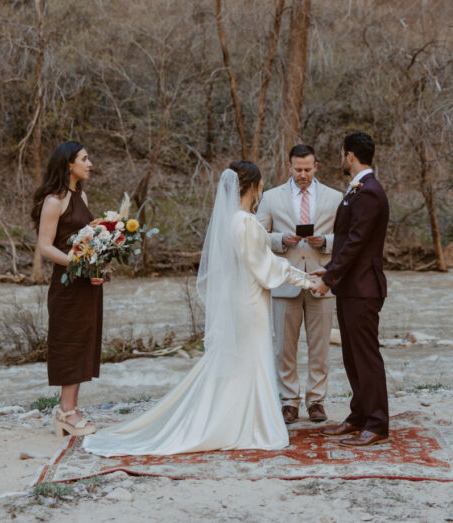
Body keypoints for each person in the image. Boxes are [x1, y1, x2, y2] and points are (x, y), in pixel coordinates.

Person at [82, 161, 318, 456]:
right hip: (250, 302)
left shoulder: (231, 220)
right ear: (255, 187)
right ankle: (245, 424)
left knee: (237, 361)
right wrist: (307, 280)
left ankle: (236, 417)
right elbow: (266, 267)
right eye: (261, 185)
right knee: (251, 358)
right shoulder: (246, 222)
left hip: (238, 297)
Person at [313, 132, 390, 448]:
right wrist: (330, 270)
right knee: (352, 356)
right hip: (350, 286)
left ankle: (377, 423)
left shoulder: (369, 192)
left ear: (350, 156)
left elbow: (357, 242)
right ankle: (358, 416)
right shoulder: (359, 189)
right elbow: (350, 240)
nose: (341, 158)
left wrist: (329, 278)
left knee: (366, 356)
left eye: (342, 154)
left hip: (363, 288)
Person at [257, 144, 343, 425]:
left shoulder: (335, 197)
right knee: (284, 347)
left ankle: (316, 401)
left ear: (316, 166)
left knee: (319, 346)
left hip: (321, 280)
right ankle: (289, 402)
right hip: (284, 279)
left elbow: (347, 237)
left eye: (308, 169)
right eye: (298, 169)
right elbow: (257, 236)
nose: (303, 174)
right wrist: (281, 239)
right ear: (289, 166)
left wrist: (326, 241)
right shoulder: (270, 197)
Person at [32, 141, 103, 438]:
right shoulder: (54, 200)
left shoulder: (81, 195)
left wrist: (97, 266)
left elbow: (86, 242)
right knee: (69, 343)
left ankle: (71, 409)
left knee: (84, 341)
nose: (90, 164)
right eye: (84, 159)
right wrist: (78, 264)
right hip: (67, 284)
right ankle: (65, 412)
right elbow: (45, 246)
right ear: (68, 164)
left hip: (86, 285)